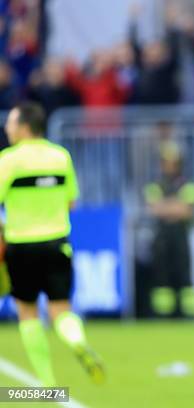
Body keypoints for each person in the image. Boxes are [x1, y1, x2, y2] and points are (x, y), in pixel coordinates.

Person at [0, 102, 104, 386]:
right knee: (61, 310)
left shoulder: (9, 159)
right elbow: (71, 201)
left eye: (10, 122)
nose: (7, 128)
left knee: (27, 311)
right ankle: (77, 341)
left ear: (24, 126)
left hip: (21, 243)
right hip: (58, 241)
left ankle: (46, 382)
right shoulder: (61, 156)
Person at [143, 141, 194, 318]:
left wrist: (166, 207)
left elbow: (187, 210)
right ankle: (163, 315)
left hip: (180, 237)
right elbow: (154, 209)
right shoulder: (156, 184)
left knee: (184, 277)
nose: (170, 166)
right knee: (162, 279)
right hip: (161, 239)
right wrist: (176, 206)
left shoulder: (188, 183)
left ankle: (188, 315)